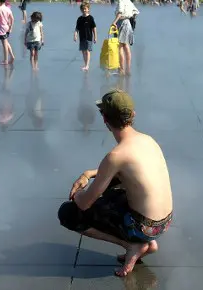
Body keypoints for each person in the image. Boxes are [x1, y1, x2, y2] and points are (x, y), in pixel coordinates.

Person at [58, 89, 173, 277]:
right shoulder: (148, 140)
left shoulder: (116, 155)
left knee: (68, 213)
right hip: (164, 223)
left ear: (104, 119)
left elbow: (84, 203)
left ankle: (132, 245)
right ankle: (147, 242)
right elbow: (129, 171)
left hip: (144, 227)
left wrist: (77, 195)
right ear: (133, 114)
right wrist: (89, 174)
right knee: (113, 187)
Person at [111, 0, 139, 76]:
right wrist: (131, 19)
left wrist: (114, 22)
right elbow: (135, 11)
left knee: (120, 47)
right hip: (128, 23)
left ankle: (121, 70)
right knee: (126, 46)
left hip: (122, 23)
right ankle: (128, 70)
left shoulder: (121, 0)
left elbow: (120, 12)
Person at [74, 2, 97, 72]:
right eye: (82, 9)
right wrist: (75, 35)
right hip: (82, 38)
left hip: (89, 37)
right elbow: (77, 28)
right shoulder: (79, 19)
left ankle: (87, 65)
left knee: (87, 51)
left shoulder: (90, 18)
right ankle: (85, 64)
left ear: (88, 9)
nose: (84, 10)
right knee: (83, 51)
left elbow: (94, 28)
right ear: (81, 10)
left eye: (85, 9)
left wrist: (95, 37)